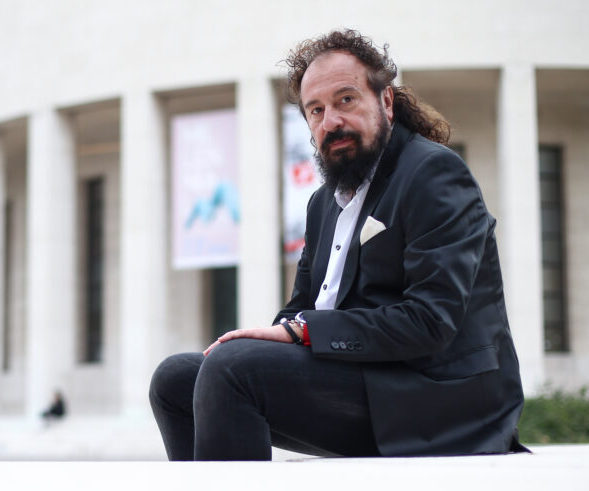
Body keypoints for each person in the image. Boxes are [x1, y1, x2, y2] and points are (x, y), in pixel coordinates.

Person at [149, 29, 527, 461]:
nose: (330, 121)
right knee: (176, 378)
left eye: (345, 100)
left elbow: (430, 321)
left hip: (441, 399)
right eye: (316, 110)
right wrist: (276, 334)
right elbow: (301, 308)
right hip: (366, 382)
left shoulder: (433, 173)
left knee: (232, 368)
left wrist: (300, 332)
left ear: (385, 102)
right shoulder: (322, 203)